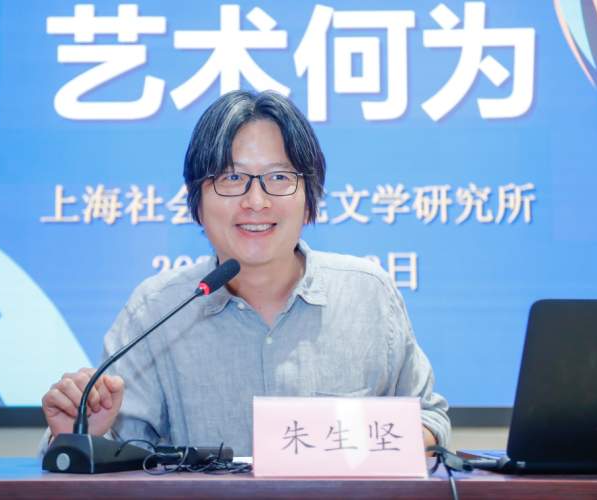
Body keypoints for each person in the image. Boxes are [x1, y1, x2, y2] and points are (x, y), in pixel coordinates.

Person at [40, 90, 450, 456]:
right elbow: (120, 452)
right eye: (232, 178)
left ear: (310, 199)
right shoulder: (156, 310)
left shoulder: (367, 294)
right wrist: (82, 436)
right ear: (196, 201)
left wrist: (351, 447)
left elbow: (429, 419)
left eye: (279, 177)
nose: (256, 201)